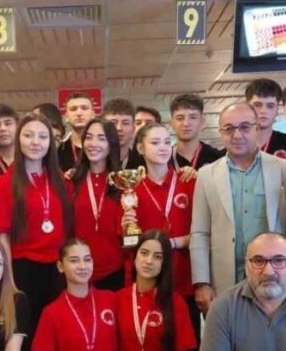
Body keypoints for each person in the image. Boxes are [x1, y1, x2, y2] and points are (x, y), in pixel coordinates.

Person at [0, 114, 72, 351]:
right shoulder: (4, 184)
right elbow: (2, 235)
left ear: (51, 142)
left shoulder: (62, 182)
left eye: (42, 136)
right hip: (22, 271)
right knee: (26, 345)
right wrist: (9, 279)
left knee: (60, 342)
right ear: (18, 141)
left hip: (57, 270)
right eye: (28, 136)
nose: (35, 141)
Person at [190, 103, 286, 312]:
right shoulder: (206, 175)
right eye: (229, 128)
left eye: (244, 127)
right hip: (225, 280)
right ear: (221, 132)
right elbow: (200, 233)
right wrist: (201, 282)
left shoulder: (284, 169)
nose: (237, 135)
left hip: (275, 278)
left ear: (257, 129)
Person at [129, 122, 198, 337]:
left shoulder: (190, 182)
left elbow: (203, 233)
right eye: (155, 142)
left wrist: (175, 242)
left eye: (168, 142)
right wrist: (127, 230)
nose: (163, 147)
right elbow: (128, 242)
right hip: (148, 280)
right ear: (140, 148)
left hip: (184, 277)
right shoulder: (131, 190)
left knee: (188, 340)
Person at [71, 118, 125, 290]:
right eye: (89, 137)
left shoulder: (123, 183)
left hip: (115, 272)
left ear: (111, 144)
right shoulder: (71, 181)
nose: (93, 143)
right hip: (77, 271)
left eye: (101, 138)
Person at [245, 78, 286, 159]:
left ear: (277, 110)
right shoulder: (234, 146)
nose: (263, 111)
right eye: (257, 105)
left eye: (270, 106)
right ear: (247, 108)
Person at [169, 94, 222, 171]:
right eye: (180, 118)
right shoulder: (163, 159)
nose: (186, 123)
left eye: (193, 117)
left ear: (201, 122)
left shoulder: (217, 158)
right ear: (172, 123)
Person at [58, 93, 95, 171]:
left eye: (84, 108)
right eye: (73, 109)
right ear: (66, 117)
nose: (79, 113)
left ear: (93, 114)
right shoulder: (59, 150)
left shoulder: (105, 147)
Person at [104, 98, 141, 169]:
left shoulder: (141, 164)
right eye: (113, 123)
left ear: (133, 130)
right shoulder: (93, 162)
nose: (119, 128)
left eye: (125, 123)